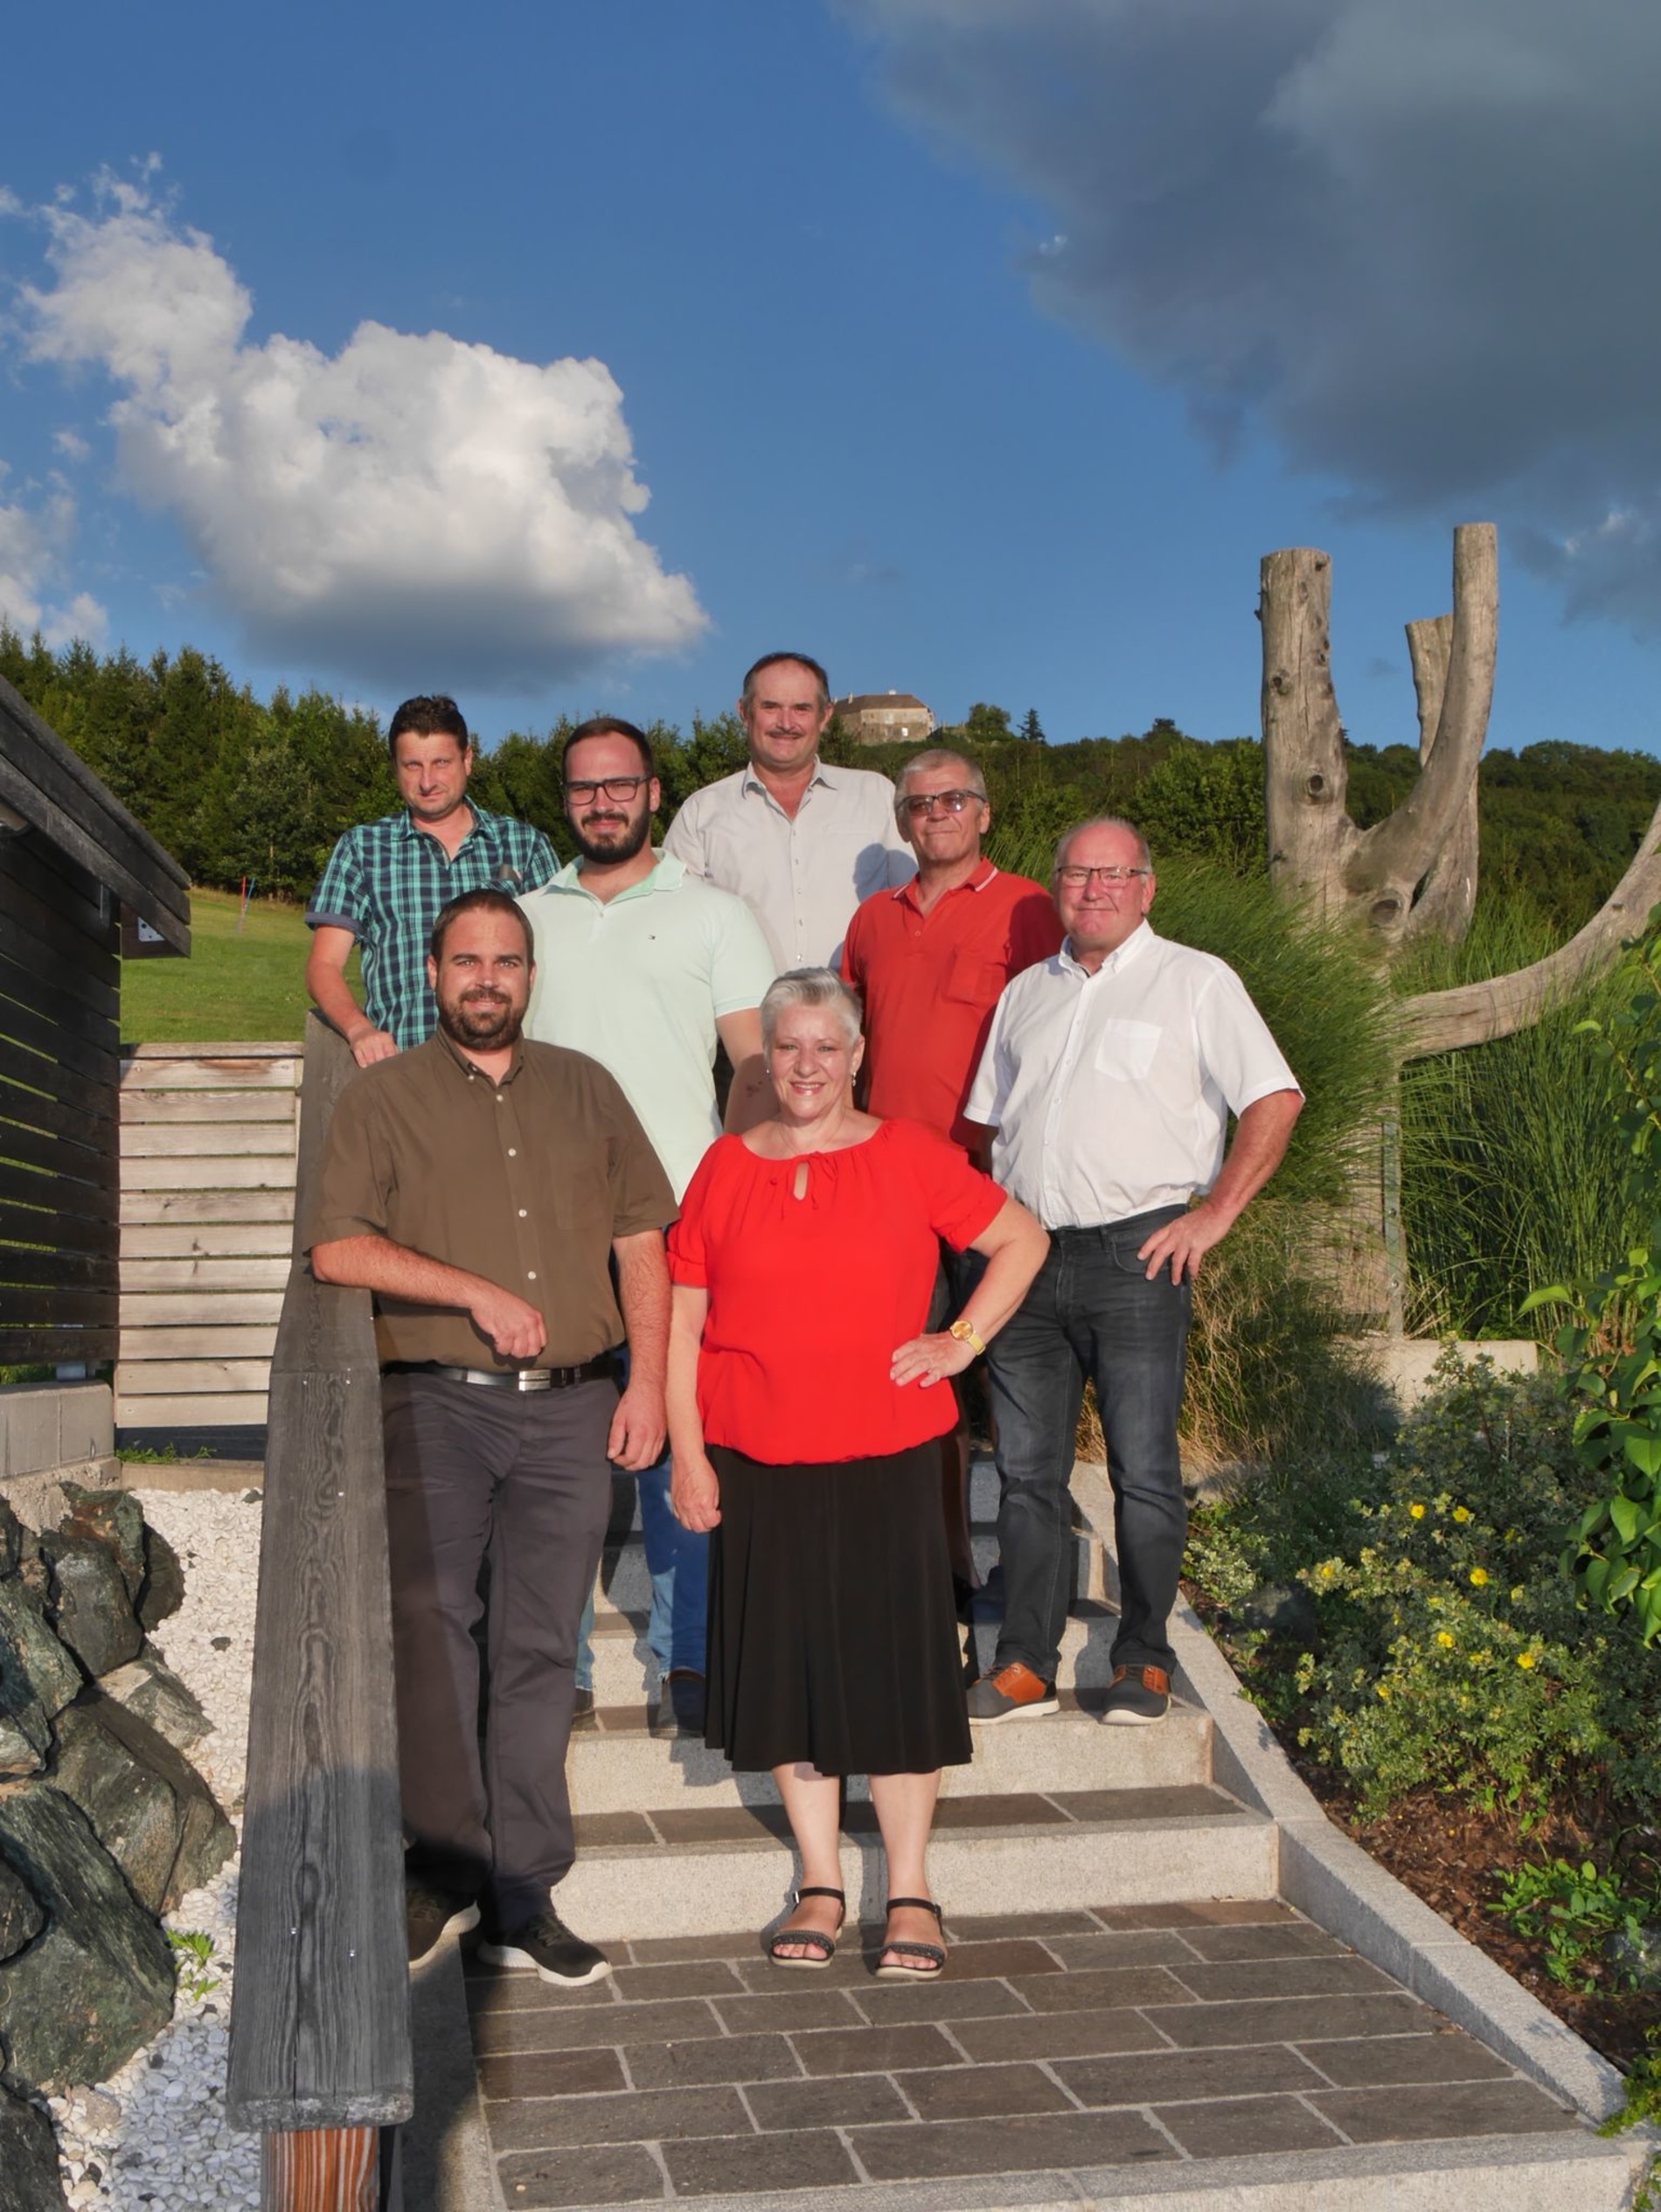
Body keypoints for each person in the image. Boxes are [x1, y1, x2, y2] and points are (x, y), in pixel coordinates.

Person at [308, 887, 675, 1986]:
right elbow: (338, 1248)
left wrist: (649, 1384)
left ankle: (523, 1892)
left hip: (572, 1407)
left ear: (530, 975)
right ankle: (443, 1863)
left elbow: (643, 1242)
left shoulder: (586, 1086)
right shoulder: (384, 1097)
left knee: (539, 1646)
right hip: (438, 1401)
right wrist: (471, 1289)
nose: (486, 979)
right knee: (431, 1623)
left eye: (506, 961)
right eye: (466, 961)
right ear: (431, 974)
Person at [667, 970, 1048, 1976]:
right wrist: (687, 1452)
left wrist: (961, 1340)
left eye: (825, 1047)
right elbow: (684, 1325)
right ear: (766, 1058)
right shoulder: (722, 1166)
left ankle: (911, 1889)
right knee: (788, 1675)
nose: (806, 1065)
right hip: (758, 1461)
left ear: (856, 1056)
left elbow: (1022, 1238)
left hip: (889, 1456)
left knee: (897, 1675)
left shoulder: (908, 1154)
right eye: (788, 1046)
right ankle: (821, 1881)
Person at [963, 817, 1303, 1727]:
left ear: (1147, 888)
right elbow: (993, 1126)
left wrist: (1215, 1212)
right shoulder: (1026, 993)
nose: (1095, 889)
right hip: (1029, 1256)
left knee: (1144, 1470)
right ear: (1057, 885)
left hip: (1138, 1256)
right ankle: (1024, 1664)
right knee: (1025, 1474)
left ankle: (1142, 1658)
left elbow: (1275, 1098)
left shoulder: (1196, 980)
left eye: (1115, 874)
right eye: (1078, 873)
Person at [519, 716, 776, 1736]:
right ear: (565, 800)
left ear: (654, 792)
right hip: (548, 1230)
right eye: (584, 788)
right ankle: (559, 1664)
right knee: (556, 1462)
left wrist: (740, 1194)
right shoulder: (527, 917)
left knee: (680, 1443)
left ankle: (689, 1656)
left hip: (678, 1221)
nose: (602, 802)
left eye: (620, 784)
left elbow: (754, 1067)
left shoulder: (714, 913)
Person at [841, 748, 1063, 1604]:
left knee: (1015, 1391)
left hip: (993, 1188)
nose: (937, 813)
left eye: (954, 799)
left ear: (985, 813)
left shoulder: (1028, 908)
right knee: (914, 1382)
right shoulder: (872, 920)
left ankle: (1028, 1579)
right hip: (895, 1192)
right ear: (903, 821)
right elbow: (854, 1045)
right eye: (920, 803)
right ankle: (944, 1566)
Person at [306, 693, 558, 1064]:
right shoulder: (363, 848)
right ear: (395, 767)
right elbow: (323, 966)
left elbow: (557, 959)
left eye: (441, 763)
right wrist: (360, 1030)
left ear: (467, 760)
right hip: (405, 1069)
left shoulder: (524, 845)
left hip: (506, 1073)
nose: (427, 781)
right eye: (412, 765)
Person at [663, 652, 914, 970]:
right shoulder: (701, 812)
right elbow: (674, 923)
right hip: (747, 1002)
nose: (786, 723)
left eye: (801, 709)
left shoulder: (876, 795)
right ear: (744, 713)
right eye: (770, 707)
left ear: (825, 715)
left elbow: (916, 903)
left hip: (859, 999)